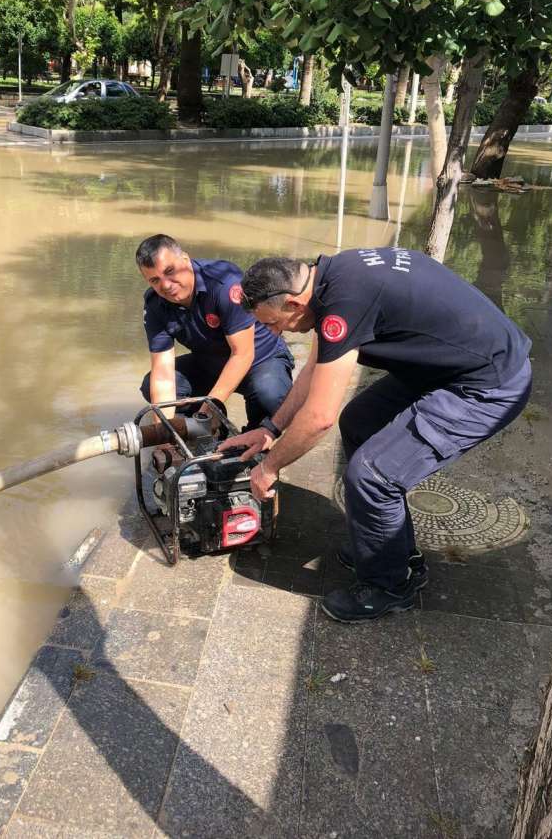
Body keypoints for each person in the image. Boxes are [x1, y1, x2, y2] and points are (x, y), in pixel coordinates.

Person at [221, 247, 532, 623]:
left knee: (373, 475)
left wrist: (269, 468)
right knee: (359, 422)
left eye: (274, 324)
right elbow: (314, 371)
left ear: (292, 303)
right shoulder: (328, 279)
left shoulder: (343, 303)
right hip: (446, 366)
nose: (272, 332)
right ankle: (390, 548)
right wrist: (270, 429)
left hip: (488, 384)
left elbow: (319, 417)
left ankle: (390, 584)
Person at [136, 234, 294, 429]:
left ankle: (250, 435)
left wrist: (206, 412)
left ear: (185, 259)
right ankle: (212, 431)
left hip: (261, 360)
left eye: (170, 271)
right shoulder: (155, 305)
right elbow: (163, 375)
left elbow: (243, 355)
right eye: (155, 280)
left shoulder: (225, 285)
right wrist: (162, 432)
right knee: (150, 386)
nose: (166, 285)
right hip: (210, 363)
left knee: (271, 398)